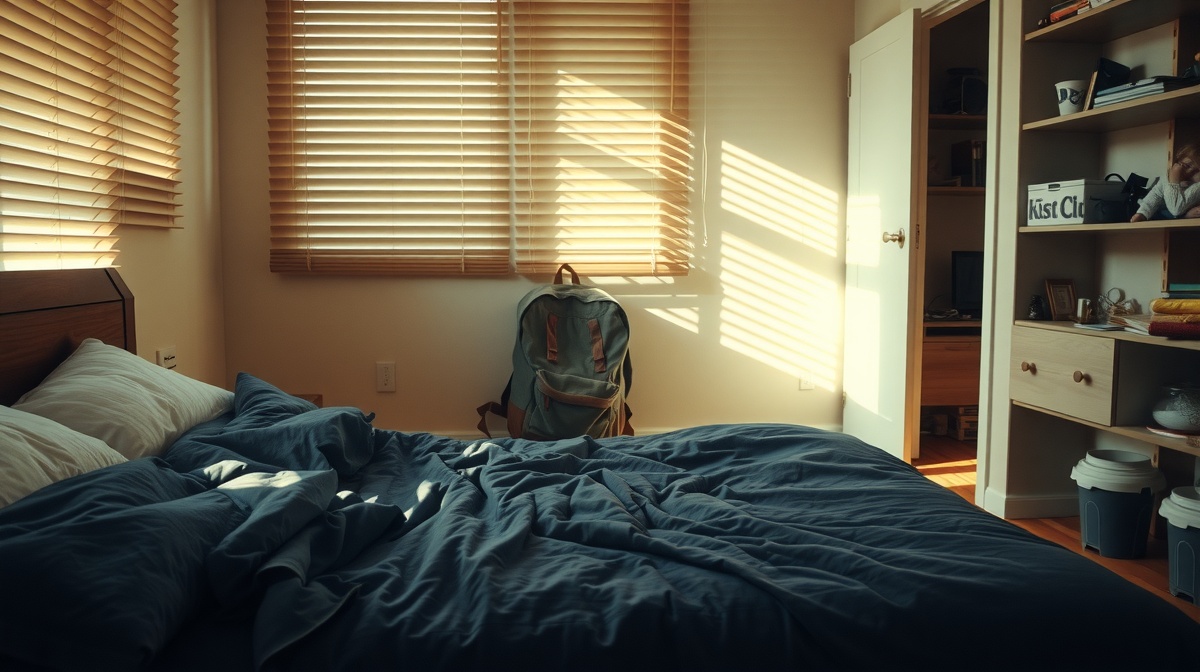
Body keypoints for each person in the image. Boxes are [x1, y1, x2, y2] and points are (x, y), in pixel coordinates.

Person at [1131, 144, 1200, 221]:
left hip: (1180, 216)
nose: (1189, 172)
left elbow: (1176, 209)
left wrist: (1174, 182)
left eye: (1196, 171)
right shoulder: (1168, 177)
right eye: (1185, 166)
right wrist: (1142, 213)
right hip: (1162, 214)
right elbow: (1155, 195)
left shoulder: (1197, 186)